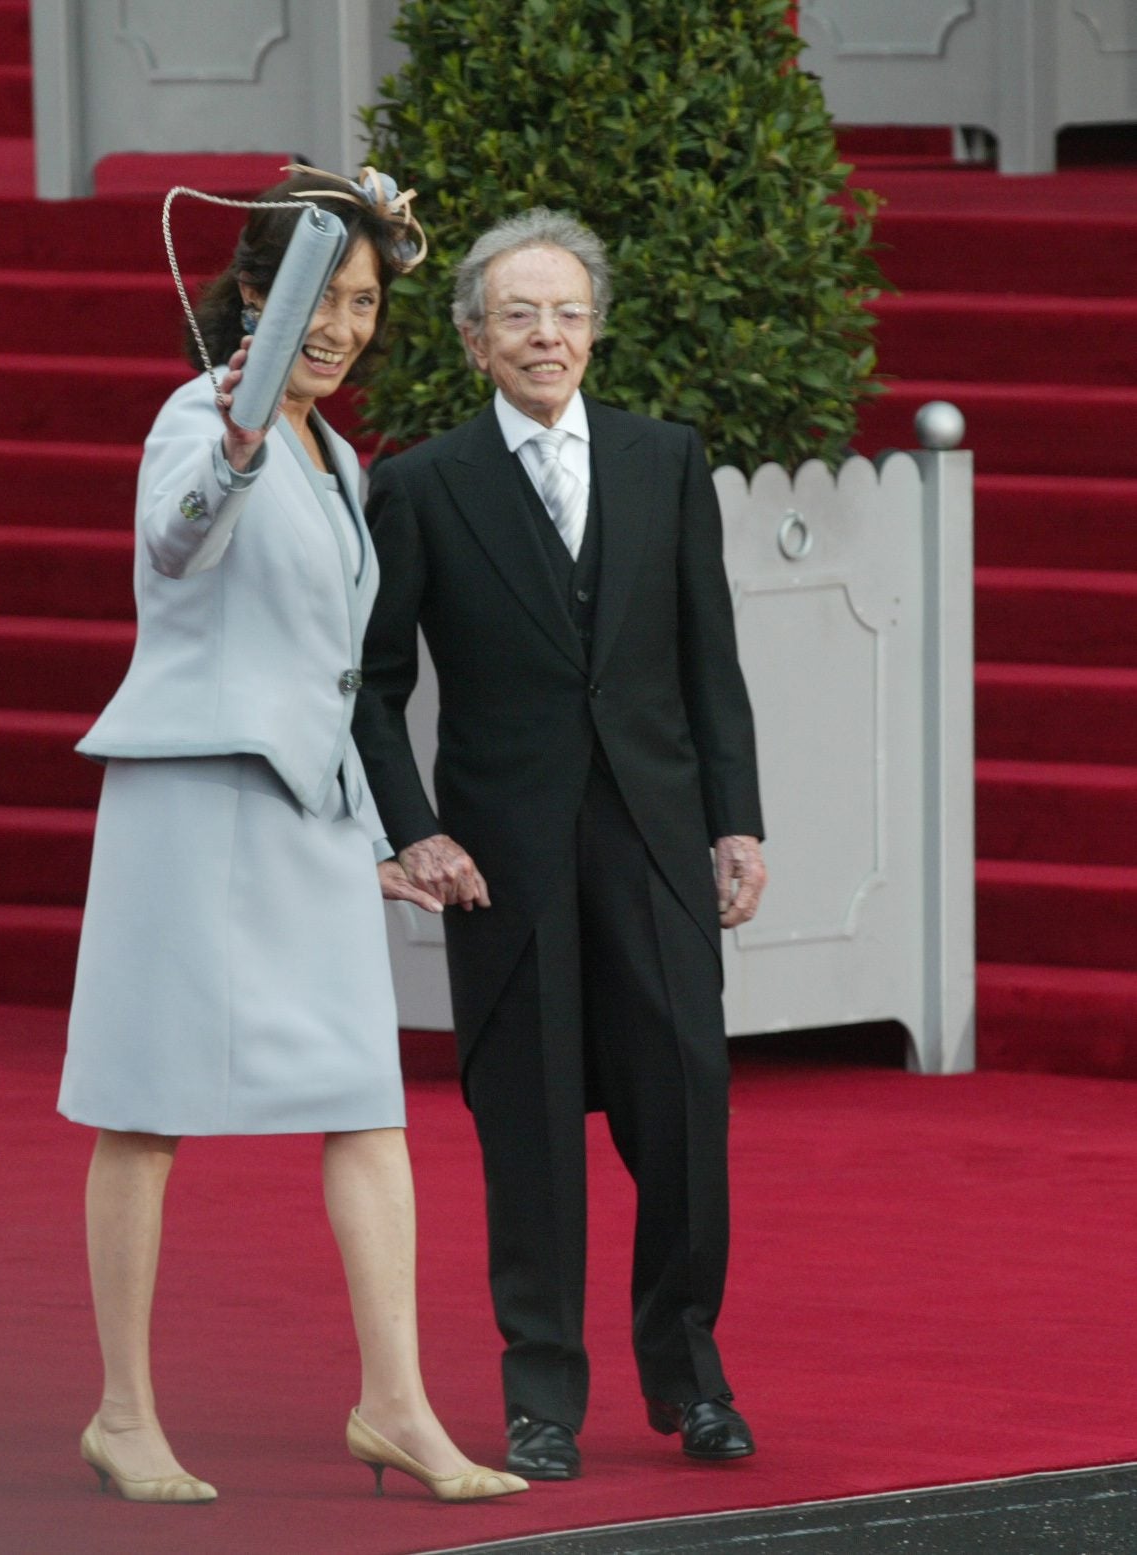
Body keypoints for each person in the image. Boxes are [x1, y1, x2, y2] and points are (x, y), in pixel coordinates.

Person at [56, 167, 527, 1506]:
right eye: (321, 297)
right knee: (145, 1106)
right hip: (190, 802)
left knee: (364, 1100)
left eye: (365, 304)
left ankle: (396, 1406)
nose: (341, 327)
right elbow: (175, 542)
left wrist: (377, 829)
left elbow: (333, 669)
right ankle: (123, 1415)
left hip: (310, 816)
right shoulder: (199, 416)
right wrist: (236, 448)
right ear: (257, 296)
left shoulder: (343, 458)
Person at [353, 209, 768, 1481]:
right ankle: (539, 1400)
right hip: (505, 861)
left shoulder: (664, 459)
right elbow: (370, 684)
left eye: (567, 312)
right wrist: (413, 829)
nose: (546, 335)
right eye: (518, 315)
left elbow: (709, 661)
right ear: (472, 340)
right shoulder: (421, 485)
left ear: (595, 330)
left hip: (654, 841)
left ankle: (691, 1382)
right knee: (528, 1134)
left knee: (683, 1113)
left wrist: (735, 821)